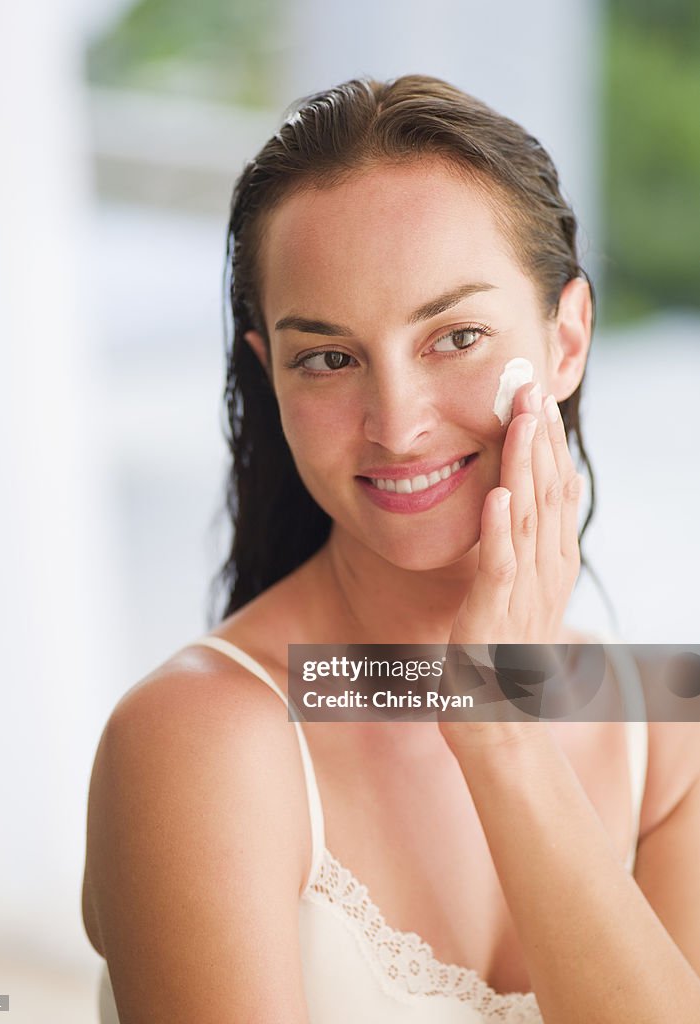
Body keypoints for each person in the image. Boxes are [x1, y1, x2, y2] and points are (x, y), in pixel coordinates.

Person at [82, 75, 700, 1023]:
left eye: (454, 336)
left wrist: (498, 722)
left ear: (566, 338)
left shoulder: (668, 737)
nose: (397, 426)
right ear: (271, 374)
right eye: (327, 357)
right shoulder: (201, 740)